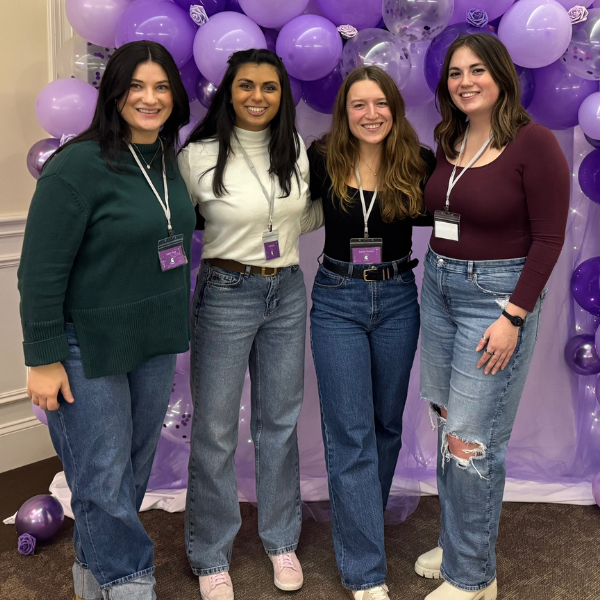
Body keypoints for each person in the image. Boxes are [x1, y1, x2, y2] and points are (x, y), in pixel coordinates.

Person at [17, 41, 195, 600]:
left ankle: (92, 578)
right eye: (136, 86)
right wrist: (43, 357)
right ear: (113, 94)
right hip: (83, 343)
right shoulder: (76, 166)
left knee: (129, 472)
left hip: (152, 338)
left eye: (161, 86)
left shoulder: (166, 157)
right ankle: (130, 581)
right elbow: (38, 272)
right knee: (101, 475)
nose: (150, 98)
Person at [415, 34, 570, 600]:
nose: (465, 82)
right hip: (438, 286)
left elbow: (550, 239)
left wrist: (513, 315)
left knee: (471, 438)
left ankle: (474, 577)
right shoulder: (450, 136)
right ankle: (461, 544)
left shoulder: (535, 143)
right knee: (446, 420)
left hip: (497, 297)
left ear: (502, 75)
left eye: (477, 70)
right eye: (455, 73)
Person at [178, 48, 322, 600]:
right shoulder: (199, 156)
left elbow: (303, 215)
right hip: (225, 291)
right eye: (246, 86)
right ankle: (211, 554)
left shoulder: (297, 150)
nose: (257, 97)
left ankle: (281, 538)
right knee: (214, 431)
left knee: (279, 423)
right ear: (228, 91)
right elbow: (174, 219)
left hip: (285, 290)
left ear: (282, 95)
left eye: (269, 87)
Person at [307, 66, 436, 600]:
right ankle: (364, 570)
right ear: (345, 112)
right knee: (351, 431)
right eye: (358, 104)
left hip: (399, 297)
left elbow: (457, 208)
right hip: (337, 298)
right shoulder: (321, 158)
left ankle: (360, 521)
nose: (370, 114)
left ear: (395, 109)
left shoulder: (419, 160)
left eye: (379, 103)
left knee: (386, 424)